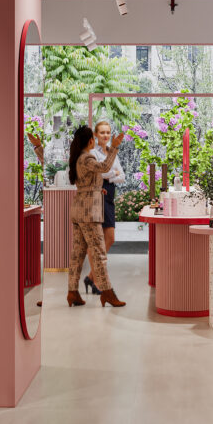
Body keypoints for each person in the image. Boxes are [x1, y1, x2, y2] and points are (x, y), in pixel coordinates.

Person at [67, 125, 127, 308]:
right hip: (89, 213)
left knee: (77, 254)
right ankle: (107, 292)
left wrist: (97, 189)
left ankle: (72, 292)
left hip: (79, 210)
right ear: (90, 141)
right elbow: (104, 167)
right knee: (99, 253)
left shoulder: (78, 158)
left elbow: (87, 182)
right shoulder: (87, 158)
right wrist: (114, 147)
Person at [85, 120, 126, 294]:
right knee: (97, 241)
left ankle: (91, 277)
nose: (106, 135)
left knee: (110, 238)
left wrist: (110, 175)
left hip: (109, 197)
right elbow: (99, 173)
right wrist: (111, 173)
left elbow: (122, 176)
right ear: (95, 135)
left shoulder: (112, 152)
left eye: (108, 132)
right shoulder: (92, 153)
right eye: (102, 132)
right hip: (96, 196)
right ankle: (96, 281)